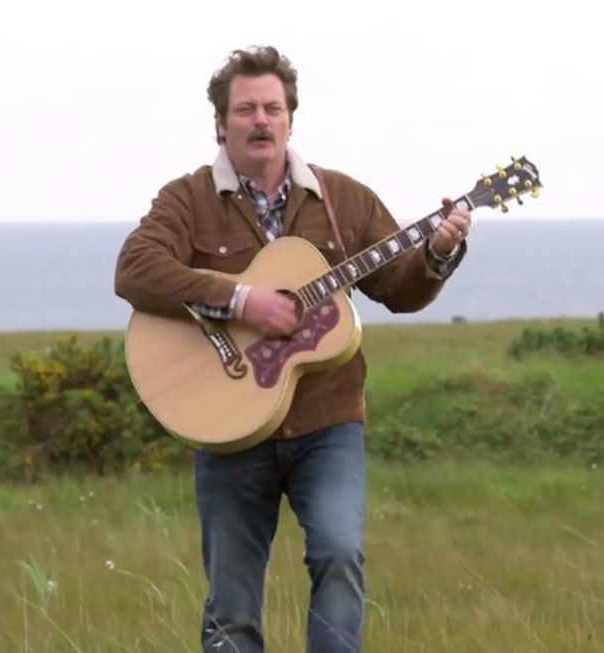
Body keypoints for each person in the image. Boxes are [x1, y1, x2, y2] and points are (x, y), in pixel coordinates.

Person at [114, 45, 472, 653]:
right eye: (246, 109)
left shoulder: (344, 199)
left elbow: (399, 289)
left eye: (272, 109)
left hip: (327, 422)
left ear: (290, 119)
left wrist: (437, 253)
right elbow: (135, 270)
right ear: (221, 123)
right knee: (232, 603)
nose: (261, 120)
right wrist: (242, 302)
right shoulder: (187, 199)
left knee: (339, 556)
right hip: (228, 425)